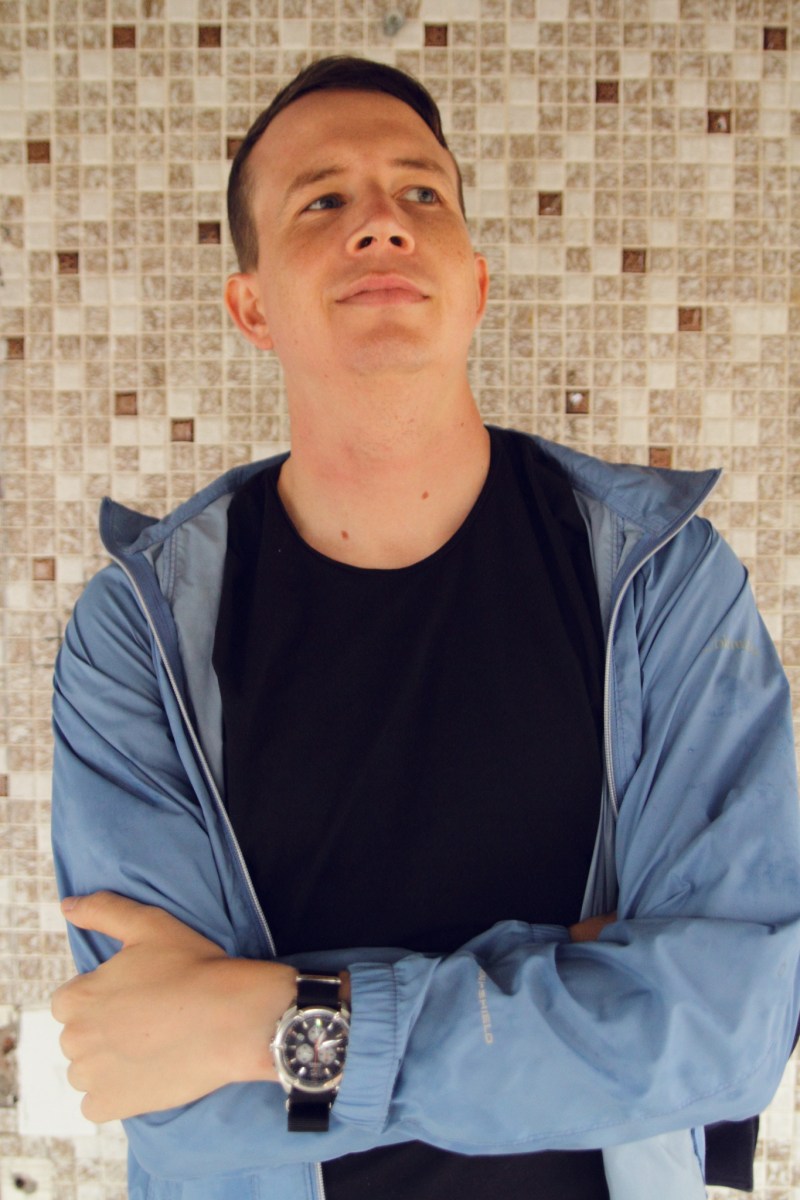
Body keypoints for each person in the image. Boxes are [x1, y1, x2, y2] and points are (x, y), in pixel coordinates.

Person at [50, 56, 800, 1200]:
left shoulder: (660, 582)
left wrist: (271, 1019)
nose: (381, 223)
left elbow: (727, 1032)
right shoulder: (136, 635)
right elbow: (167, 1089)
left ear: (474, 282)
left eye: (419, 193)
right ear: (251, 307)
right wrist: (570, 975)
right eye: (322, 200)